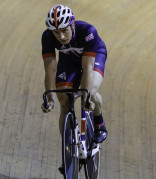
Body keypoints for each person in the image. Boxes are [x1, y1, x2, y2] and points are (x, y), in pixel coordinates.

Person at [41, 4, 107, 144]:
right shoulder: (47, 36)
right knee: (63, 100)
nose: (61, 36)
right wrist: (50, 98)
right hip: (70, 59)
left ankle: (99, 123)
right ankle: (69, 149)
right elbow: (50, 69)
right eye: (56, 32)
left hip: (94, 56)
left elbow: (87, 67)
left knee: (91, 92)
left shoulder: (88, 31)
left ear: (72, 25)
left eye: (64, 30)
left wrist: (86, 96)